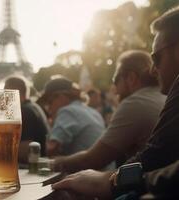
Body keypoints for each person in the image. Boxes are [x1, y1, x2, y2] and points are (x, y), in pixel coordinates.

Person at [52, 5, 179, 199]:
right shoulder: (161, 95)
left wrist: (110, 180)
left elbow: (152, 160)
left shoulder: (136, 102)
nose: (153, 71)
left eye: (157, 58)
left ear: (130, 79)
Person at [53, 50, 166, 173]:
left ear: (131, 78)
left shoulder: (135, 103)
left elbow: (92, 160)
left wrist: (55, 163)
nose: (115, 90)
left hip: (152, 189)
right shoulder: (164, 96)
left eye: (115, 80)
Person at [39, 77, 105, 157]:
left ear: (62, 96)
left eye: (50, 102)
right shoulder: (93, 112)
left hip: (89, 168)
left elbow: (51, 148)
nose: (48, 108)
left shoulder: (67, 111)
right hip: (105, 168)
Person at [4, 76, 50, 163]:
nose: (3, 97)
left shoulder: (24, 111)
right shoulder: (34, 107)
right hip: (40, 163)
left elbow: (25, 151)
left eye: (4, 92)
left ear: (11, 91)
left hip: (30, 168)